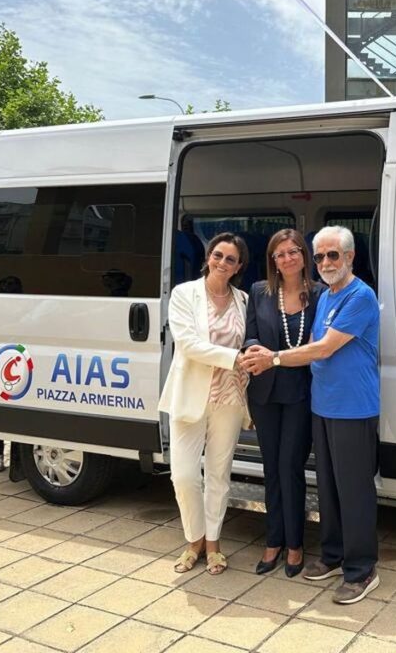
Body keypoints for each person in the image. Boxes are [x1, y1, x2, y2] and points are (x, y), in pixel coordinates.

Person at [243, 225, 380, 604]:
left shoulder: (360, 295)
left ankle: (362, 569)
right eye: (320, 256)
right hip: (323, 405)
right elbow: (307, 343)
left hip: (353, 407)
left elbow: (322, 348)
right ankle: (333, 556)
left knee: (354, 491)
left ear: (350, 257)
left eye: (333, 255)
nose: (326, 262)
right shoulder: (330, 296)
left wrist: (273, 358)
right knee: (330, 487)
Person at [160, 232, 251, 576]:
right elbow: (188, 344)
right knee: (183, 475)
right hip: (190, 395)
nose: (222, 262)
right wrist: (235, 358)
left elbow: (251, 341)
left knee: (218, 475)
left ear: (239, 266)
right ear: (208, 257)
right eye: (218, 255)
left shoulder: (244, 300)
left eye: (231, 259)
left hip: (230, 397)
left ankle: (212, 544)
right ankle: (193, 539)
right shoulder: (184, 294)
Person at [244, 229, 325, 577]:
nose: (287, 258)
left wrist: (278, 357)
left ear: (304, 256)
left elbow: (320, 344)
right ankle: (273, 540)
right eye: (280, 254)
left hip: (300, 395)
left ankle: (295, 544)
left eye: (293, 251)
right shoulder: (259, 292)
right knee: (271, 468)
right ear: (273, 260)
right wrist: (253, 349)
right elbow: (250, 333)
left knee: (290, 467)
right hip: (264, 393)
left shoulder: (320, 294)